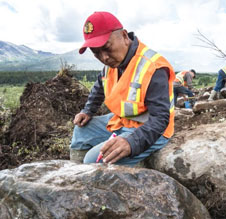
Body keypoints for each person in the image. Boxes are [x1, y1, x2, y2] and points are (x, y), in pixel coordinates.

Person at [69, 12, 175, 166]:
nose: (104, 58)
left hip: (150, 128)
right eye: (96, 53)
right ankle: (75, 177)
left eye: (107, 48)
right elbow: (99, 87)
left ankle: (97, 181)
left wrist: (131, 143)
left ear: (125, 36)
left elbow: (160, 119)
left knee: (94, 160)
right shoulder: (111, 64)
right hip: (122, 121)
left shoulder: (153, 67)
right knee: (80, 132)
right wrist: (87, 110)